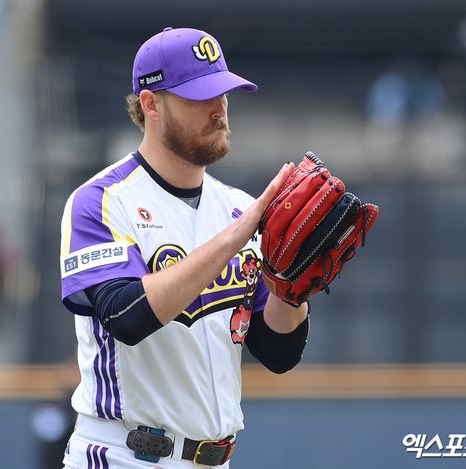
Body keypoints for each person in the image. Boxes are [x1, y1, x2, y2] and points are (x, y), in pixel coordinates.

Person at [60, 27, 309, 468]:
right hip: (124, 455)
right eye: (200, 96)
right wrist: (234, 239)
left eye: (223, 92)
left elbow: (277, 352)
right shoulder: (103, 200)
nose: (219, 108)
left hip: (215, 458)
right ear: (151, 104)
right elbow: (125, 316)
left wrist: (293, 287)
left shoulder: (237, 207)